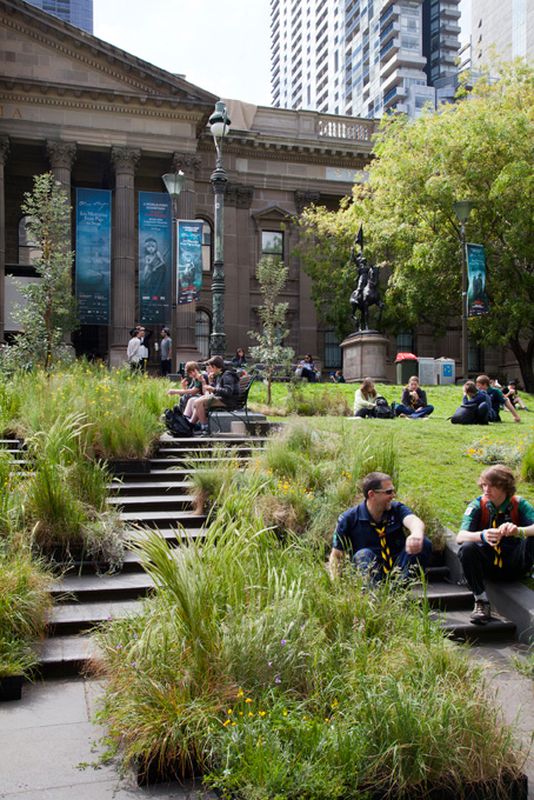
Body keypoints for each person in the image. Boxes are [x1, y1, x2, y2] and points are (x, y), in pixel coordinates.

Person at [457, 465, 534, 624]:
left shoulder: (519, 504)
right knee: (467, 547)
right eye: (484, 485)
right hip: (488, 565)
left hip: (515, 563)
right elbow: (460, 536)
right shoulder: (478, 505)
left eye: (492, 485)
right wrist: (482, 535)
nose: (486, 489)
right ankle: (481, 601)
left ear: (505, 486)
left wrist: (518, 531)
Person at [328, 471, 431, 583]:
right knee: (363, 554)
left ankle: (398, 589)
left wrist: (416, 533)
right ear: (372, 494)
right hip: (368, 572)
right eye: (389, 492)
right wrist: (336, 585)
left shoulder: (396, 509)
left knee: (424, 542)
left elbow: (414, 521)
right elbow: (336, 556)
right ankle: (373, 596)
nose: (393, 495)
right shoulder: (349, 519)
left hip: (399, 569)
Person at [186, 356, 240, 435]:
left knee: (198, 402)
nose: (209, 370)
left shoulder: (227, 375)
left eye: (210, 368)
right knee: (194, 400)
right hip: (222, 399)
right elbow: (215, 389)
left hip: (228, 401)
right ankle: (191, 425)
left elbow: (228, 392)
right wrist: (211, 382)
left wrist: (213, 389)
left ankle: (204, 428)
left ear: (215, 367)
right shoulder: (220, 375)